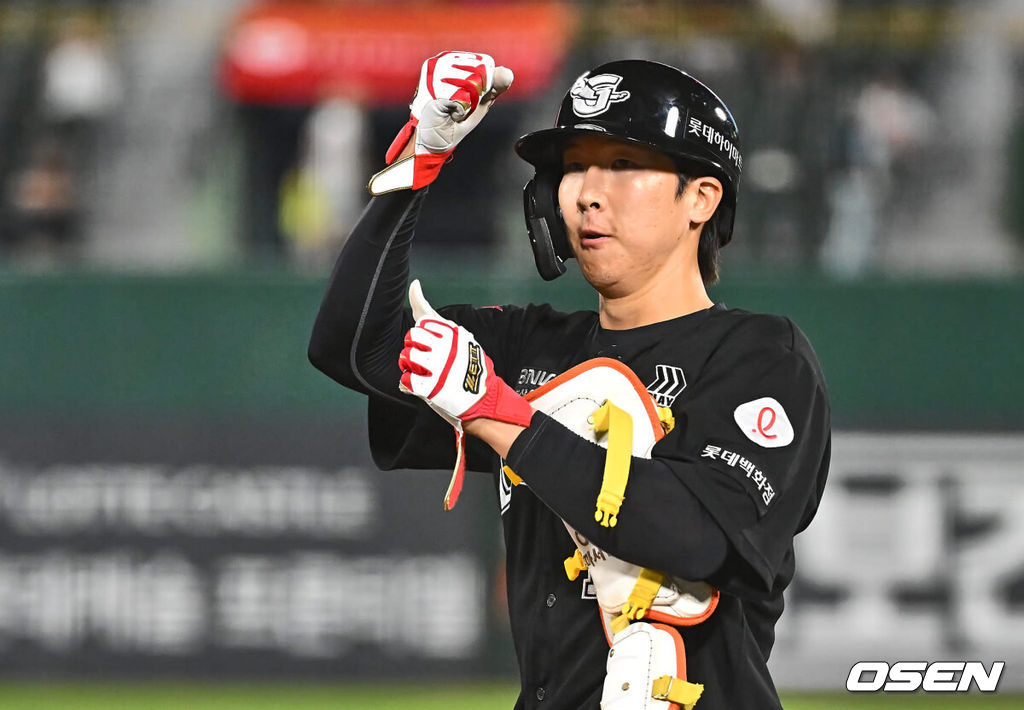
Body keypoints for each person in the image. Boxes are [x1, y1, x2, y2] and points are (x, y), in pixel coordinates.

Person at [309, 52, 831, 710]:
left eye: (622, 165)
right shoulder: (527, 345)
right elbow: (354, 348)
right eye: (575, 166)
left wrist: (495, 411)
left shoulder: (759, 356)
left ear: (701, 198)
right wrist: (420, 157)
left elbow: (694, 535)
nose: (587, 191)